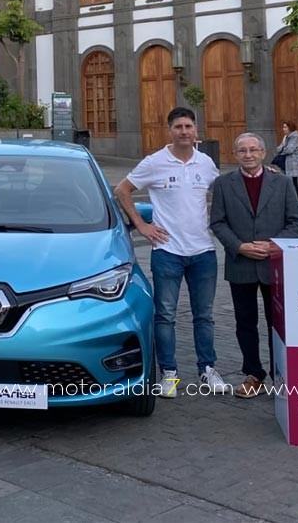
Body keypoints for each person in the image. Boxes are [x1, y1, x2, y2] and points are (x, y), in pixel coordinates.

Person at [115, 107, 233, 397]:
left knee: (204, 315)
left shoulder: (205, 163)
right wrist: (141, 224)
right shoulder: (155, 162)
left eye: (188, 126)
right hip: (167, 251)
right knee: (165, 315)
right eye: (178, 126)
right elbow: (122, 190)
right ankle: (169, 372)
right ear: (170, 130)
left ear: (196, 130)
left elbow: (225, 189)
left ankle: (207, 369)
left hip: (203, 252)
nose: (184, 131)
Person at [209, 132, 298, 399]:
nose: (248, 155)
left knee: (278, 322)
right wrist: (239, 246)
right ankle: (254, 374)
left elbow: (296, 222)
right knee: (245, 322)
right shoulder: (224, 184)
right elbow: (218, 222)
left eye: (253, 150)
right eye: (243, 151)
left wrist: (272, 245)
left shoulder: (282, 183)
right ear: (236, 154)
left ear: (263, 153)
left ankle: (281, 374)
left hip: (273, 265)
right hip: (241, 263)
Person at [274, 120, 298, 196]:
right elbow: (278, 149)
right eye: (283, 127)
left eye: (285, 127)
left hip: (292, 164)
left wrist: (283, 149)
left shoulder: (294, 137)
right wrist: (283, 146)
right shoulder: (286, 137)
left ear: (290, 128)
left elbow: (289, 150)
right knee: (288, 183)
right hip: (286, 164)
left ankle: (296, 201)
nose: (283, 129)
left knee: (293, 182)